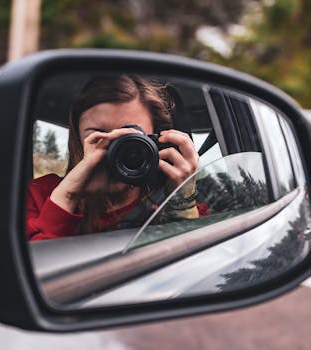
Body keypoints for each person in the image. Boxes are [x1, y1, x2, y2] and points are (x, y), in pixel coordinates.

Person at [26, 74, 202, 241]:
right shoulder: (39, 195)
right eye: (99, 135)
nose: (116, 146)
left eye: (131, 136)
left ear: (155, 142)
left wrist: (181, 202)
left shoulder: (173, 199)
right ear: (77, 138)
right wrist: (69, 195)